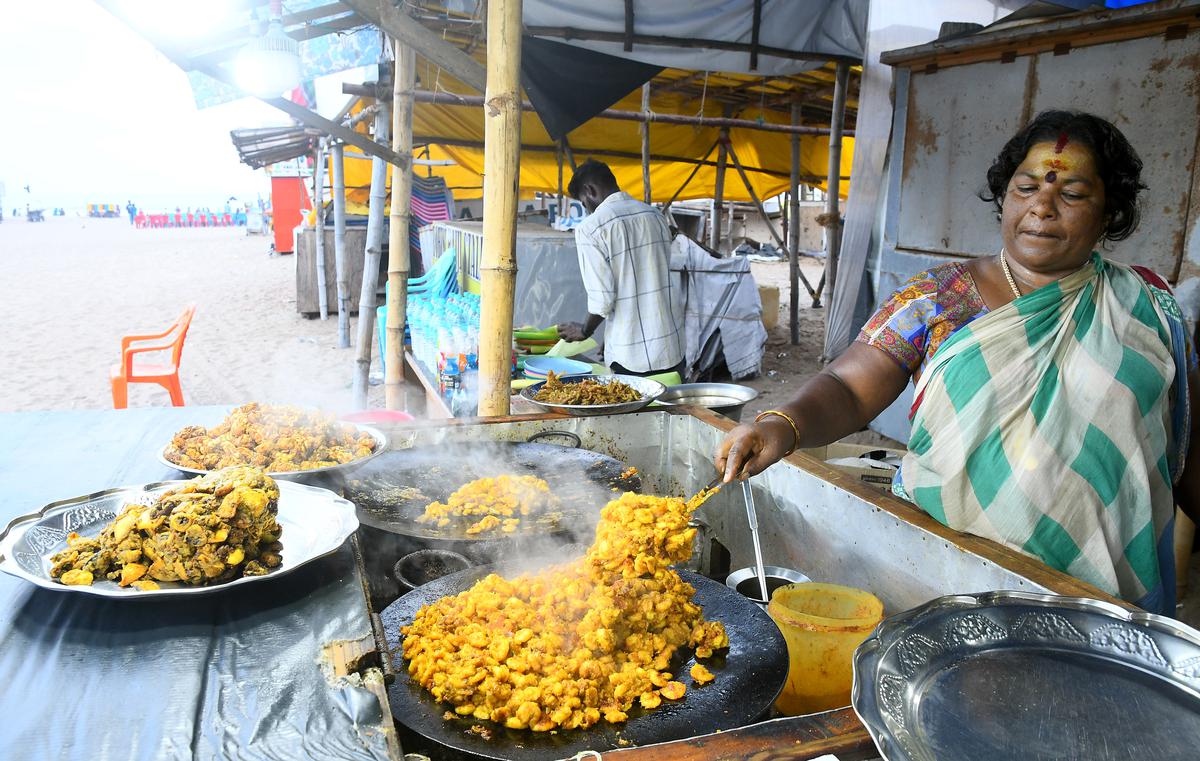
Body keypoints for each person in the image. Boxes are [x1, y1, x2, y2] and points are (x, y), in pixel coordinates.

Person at [715, 110, 1200, 616]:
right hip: (944, 571)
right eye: (1025, 187)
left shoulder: (1147, 307)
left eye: (1072, 194)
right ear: (1004, 196)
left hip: (1099, 596)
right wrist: (780, 425)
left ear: (1110, 212)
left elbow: (1188, 445)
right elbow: (850, 386)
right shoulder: (941, 297)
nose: (1042, 208)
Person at [558, 159, 685, 377]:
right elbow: (643, 282)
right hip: (671, 349)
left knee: (636, 412)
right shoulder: (655, 216)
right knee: (671, 411)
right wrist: (611, 337)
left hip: (632, 359)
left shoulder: (591, 228)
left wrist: (585, 330)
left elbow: (603, 299)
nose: (587, 210)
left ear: (590, 190)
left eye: (583, 202)